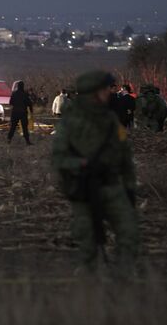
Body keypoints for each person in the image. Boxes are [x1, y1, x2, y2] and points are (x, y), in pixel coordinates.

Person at [52, 71, 139, 276]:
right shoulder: (71, 122)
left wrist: (130, 186)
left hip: (112, 185)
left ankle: (124, 277)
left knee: (129, 232)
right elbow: (59, 159)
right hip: (85, 187)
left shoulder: (110, 119)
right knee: (87, 239)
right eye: (104, 90)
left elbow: (125, 155)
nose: (108, 93)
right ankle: (88, 284)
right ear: (92, 93)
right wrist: (82, 164)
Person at [7, 81, 33, 145]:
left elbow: (10, 102)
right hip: (23, 113)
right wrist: (31, 111)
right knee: (24, 128)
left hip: (15, 112)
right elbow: (29, 103)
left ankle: (9, 139)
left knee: (13, 127)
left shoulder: (14, 93)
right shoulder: (25, 94)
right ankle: (27, 141)